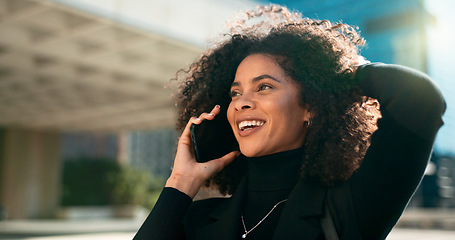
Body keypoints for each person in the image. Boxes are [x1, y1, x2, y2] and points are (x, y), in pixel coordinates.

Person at [134, 4, 446, 240]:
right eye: (235, 92)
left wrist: (331, 73)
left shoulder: (348, 209)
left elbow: (421, 99)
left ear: (310, 105)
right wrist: (180, 183)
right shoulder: (198, 219)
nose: (242, 101)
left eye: (264, 87)